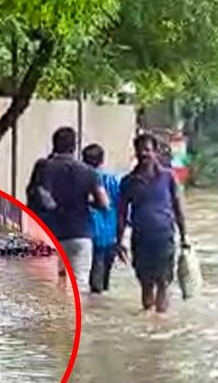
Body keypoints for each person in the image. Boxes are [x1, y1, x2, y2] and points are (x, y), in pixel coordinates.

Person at [26, 126, 109, 283]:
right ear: (74, 146)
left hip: (49, 234)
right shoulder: (88, 171)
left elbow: (34, 197)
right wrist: (89, 203)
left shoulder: (43, 167)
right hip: (79, 234)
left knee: (48, 285)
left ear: (54, 143)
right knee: (79, 285)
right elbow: (104, 203)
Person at [117, 133, 188, 313]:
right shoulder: (128, 182)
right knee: (146, 283)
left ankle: (160, 321)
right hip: (141, 238)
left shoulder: (168, 177)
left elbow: (178, 207)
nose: (143, 154)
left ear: (155, 152)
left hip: (164, 236)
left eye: (147, 150)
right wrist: (119, 241)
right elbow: (121, 213)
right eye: (140, 150)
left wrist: (184, 236)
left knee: (163, 282)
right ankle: (148, 317)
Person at [82, 143, 120, 294]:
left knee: (94, 283)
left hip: (92, 232)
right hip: (111, 234)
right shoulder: (113, 180)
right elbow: (121, 206)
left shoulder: (84, 180)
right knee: (105, 280)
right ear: (102, 160)